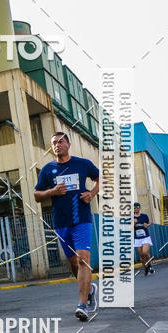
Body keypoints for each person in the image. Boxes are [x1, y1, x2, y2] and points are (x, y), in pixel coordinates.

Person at [34, 132, 99, 321]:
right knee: (73, 263)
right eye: (54, 142)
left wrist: (91, 193)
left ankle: (82, 304)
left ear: (68, 144)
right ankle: (90, 289)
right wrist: (52, 191)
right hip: (61, 222)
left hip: (82, 219)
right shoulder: (47, 170)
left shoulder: (82, 164)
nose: (57, 145)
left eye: (60, 141)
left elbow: (99, 178)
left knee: (83, 259)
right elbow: (37, 195)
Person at [133, 202, 154, 275]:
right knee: (142, 255)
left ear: (139, 208)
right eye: (134, 208)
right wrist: (134, 223)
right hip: (138, 238)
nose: (136, 209)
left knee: (145, 252)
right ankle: (146, 268)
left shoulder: (144, 216)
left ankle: (150, 265)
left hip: (145, 237)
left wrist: (147, 225)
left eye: (137, 208)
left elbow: (149, 223)